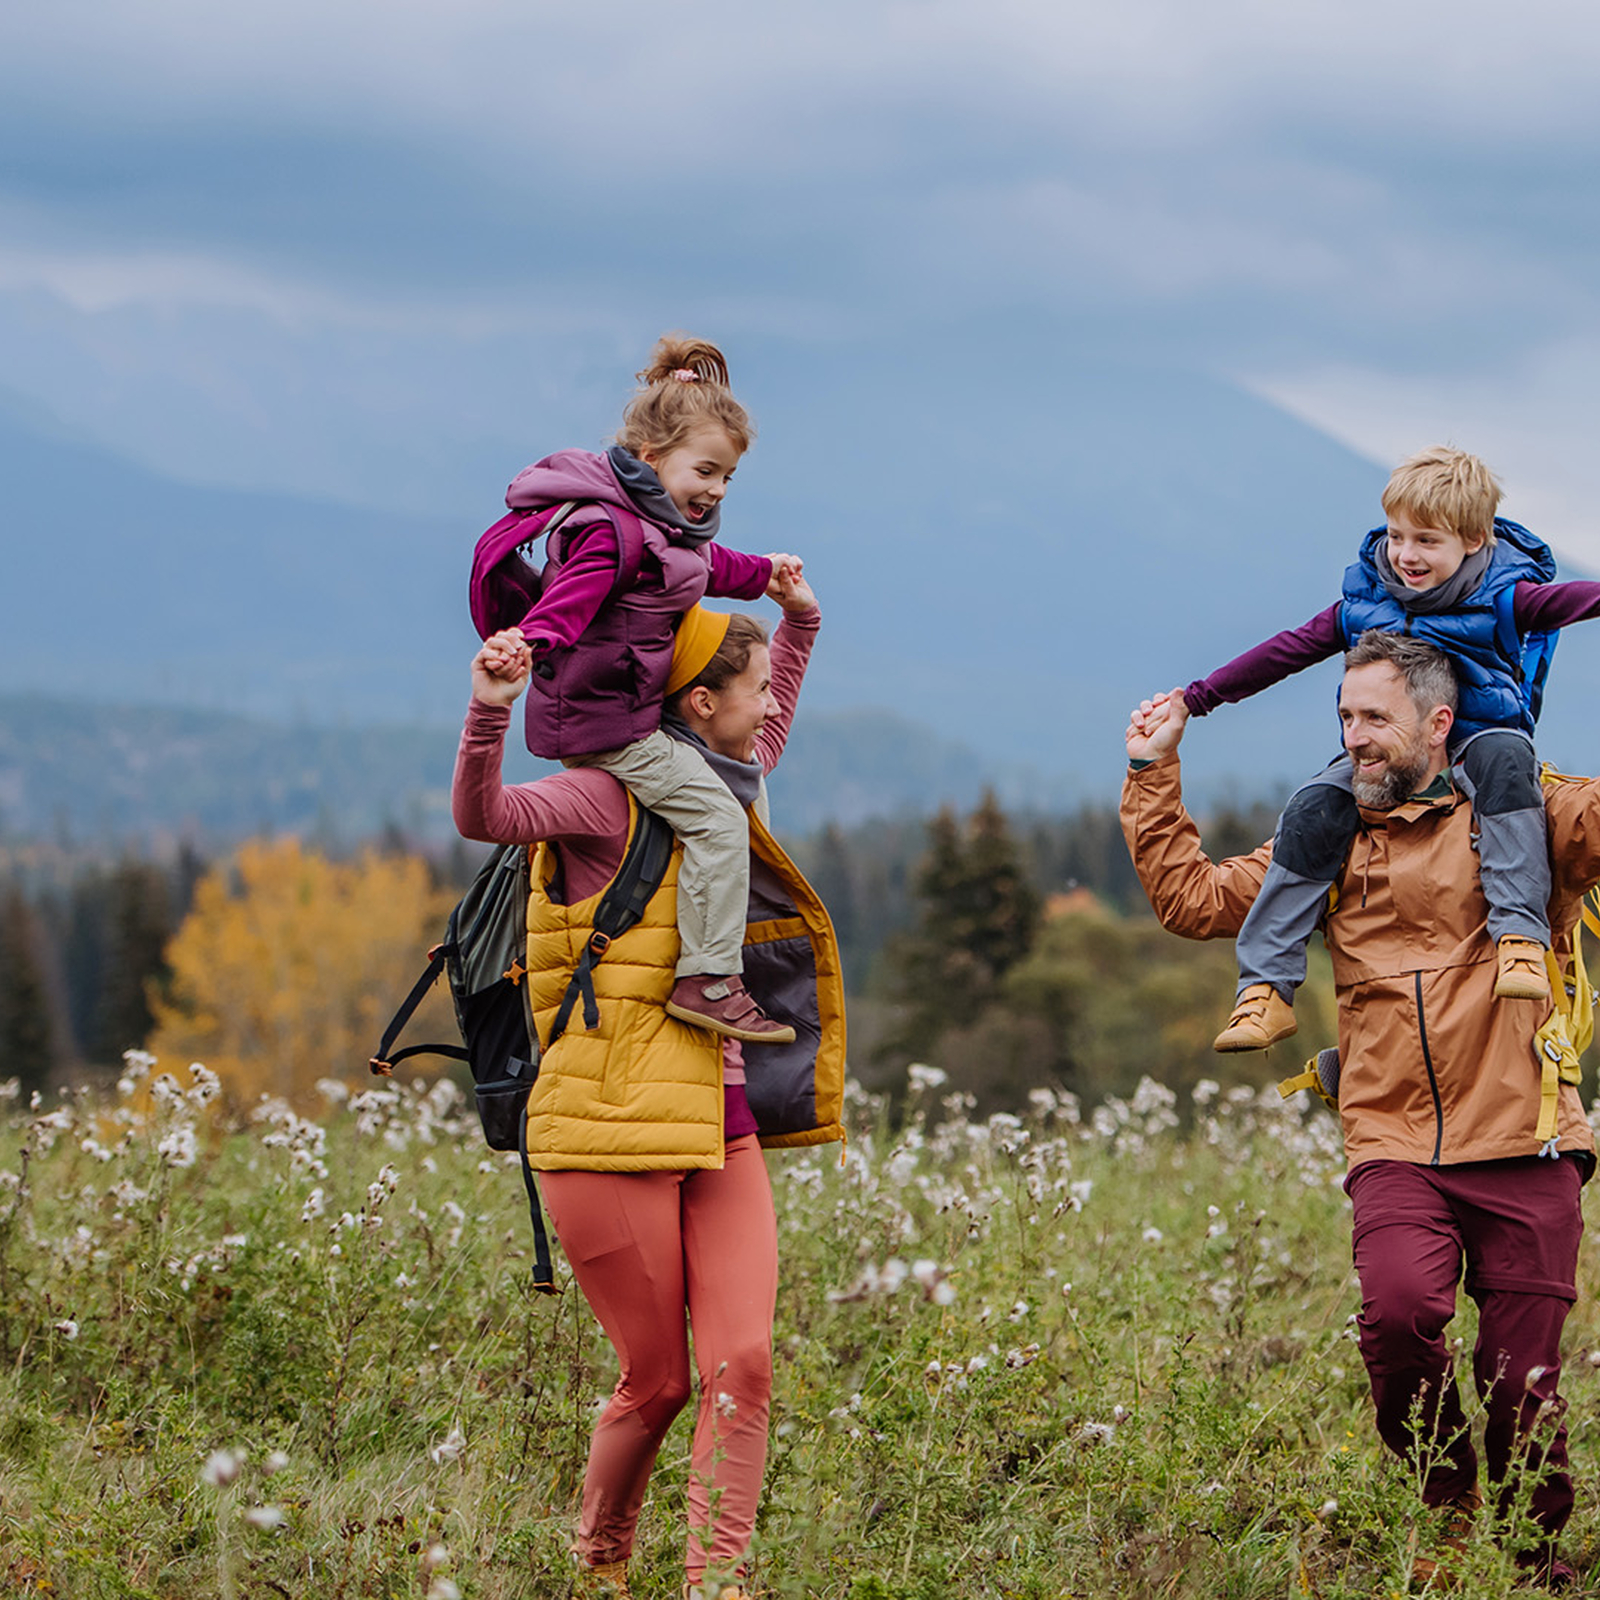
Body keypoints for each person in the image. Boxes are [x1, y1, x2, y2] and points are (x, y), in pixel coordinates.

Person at [1125, 632, 1596, 1589]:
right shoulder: (1328, 833)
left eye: (1374, 718)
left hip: (1527, 1135)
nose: (1354, 739)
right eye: (1343, 718)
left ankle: (1545, 1562)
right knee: (1396, 1318)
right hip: (1393, 1139)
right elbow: (1194, 900)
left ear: (1439, 720)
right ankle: (1449, 1504)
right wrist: (1151, 768)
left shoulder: (1526, 810)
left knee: (1520, 1388)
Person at [455, 566, 845, 1600]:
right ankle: (599, 1564)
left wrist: (798, 620)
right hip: (608, 1130)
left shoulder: (727, 779)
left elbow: (779, 695)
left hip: (720, 1125)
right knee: (661, 1379)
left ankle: (718, 1584)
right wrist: (490, 710)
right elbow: (484, 812)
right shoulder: (600, 793)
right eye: (751, 691)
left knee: (743, 1366)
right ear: (701, 703)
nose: (769, 712)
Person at [1178, 445, 1600, 1053]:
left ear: (1475, 539)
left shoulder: (1507, 598)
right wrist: (1197, 698)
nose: (1406, 555)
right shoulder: (1365, 602)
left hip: (1479, 737)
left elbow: (1579, 602)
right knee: (1311, 806)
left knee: (1511, 770)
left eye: (1427, 540)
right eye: (1398, 536)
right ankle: (1266, 989)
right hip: (1390, 751)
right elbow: (1285, 651)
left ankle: (1519, 942)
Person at [487, 332, 804, 1044]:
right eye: (706, 471)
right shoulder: (610, 533)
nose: (717, 490)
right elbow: (565, 606)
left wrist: (765, 574)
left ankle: (714, 933)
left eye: (728, 478)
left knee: (738, 786)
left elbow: (703, 567)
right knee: (720, 819)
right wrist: (529, 644)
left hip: (628, 715)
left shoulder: (658, 528)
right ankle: (710, 978)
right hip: (605, 729)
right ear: (652, 459)